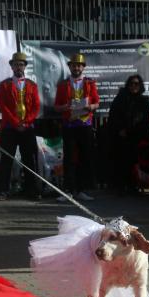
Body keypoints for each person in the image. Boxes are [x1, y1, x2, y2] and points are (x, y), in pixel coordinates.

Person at [0, 52, 41, 201]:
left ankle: (31, 190)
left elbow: (36, 107)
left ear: (25, 67)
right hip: (10, 128)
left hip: (27, 128)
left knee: (29, 159)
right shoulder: (4, 85)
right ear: (12, 66)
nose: (18, 67)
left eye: (21, 64)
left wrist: (26, 122)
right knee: (6, 159)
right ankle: (3, 190)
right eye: (16, 64)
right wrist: (16, 122)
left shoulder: (32, 85)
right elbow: (2, 106)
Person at [54, 53, 100, 201]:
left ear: (83, 67)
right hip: (69, 124)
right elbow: (56, 107)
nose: (76, 67)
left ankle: (81, 189)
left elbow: (97, 103)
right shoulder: (62, 85)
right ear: (70, 67)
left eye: (79, 65)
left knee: (84, 157)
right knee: (68, 158)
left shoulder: (90, 83)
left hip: (85, 124)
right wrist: (66, 106)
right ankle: (68, 190)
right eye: (74, 65)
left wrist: (89, 106)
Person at [107, 75, 149, 195]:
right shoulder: (120, 98)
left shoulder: (144, 100)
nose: (134, 86)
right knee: (121, 160)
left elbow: (145, 120)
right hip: (122, 135)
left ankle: (134, 185)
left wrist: (147, 137)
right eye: (131, 83)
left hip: (137, 135)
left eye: (136, 84)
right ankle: (121, 185)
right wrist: (120, 129)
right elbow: (113, 116)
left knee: (135, 161)